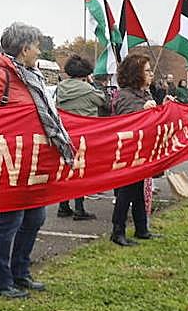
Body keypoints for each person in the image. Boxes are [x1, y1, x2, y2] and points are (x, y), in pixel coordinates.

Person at [0, 22, 74, 299]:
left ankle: (20, 272)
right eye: (36, 45)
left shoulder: (31, 77)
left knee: (35, 217)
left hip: (34, 164)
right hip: (11, 163)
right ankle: (0, 282)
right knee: (9, 221)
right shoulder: (3, 77)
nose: (39, 50)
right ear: (25, 50)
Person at [111, 54, 160, 246]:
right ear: (135, 73)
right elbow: (125, 119)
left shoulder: (145, 93)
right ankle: (118, 231)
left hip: (141, 149)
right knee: (126, 192)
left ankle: (142, 229)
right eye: (147, 71)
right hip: (127, 151)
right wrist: (143, 110)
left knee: (139, 190)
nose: (151, 74)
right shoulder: (124, 95)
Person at [55, 54, 106, 221]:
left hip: (65, 134)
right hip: (84, 134)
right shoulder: (88, 89)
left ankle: (63, 206)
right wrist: (91, 83)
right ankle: (79, 209)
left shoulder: (60, 87)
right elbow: (102, 100)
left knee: (66, 170)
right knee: (81, 172)